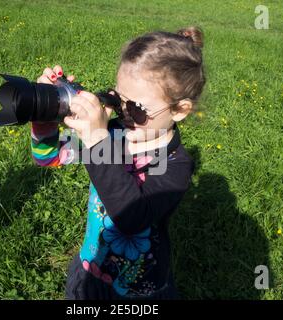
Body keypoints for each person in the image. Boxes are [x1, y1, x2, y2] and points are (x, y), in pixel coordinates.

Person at [30, 26, 206, 299]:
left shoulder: (175, 164)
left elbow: (131, 217)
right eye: (117, 99)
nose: (123, 112)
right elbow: (49, 157)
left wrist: (98, 142)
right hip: (91, 267)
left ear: (179, 110)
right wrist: (45, 113)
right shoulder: (112, 133)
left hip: (139, 287)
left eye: (136, 108)